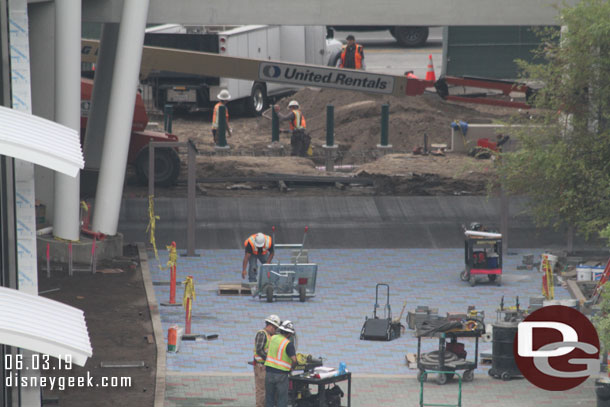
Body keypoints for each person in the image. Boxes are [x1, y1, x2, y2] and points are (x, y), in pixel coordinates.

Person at [265, 320, 297, 407]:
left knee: (269, 398)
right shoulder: (288, 344)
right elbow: (294, 360)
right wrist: (292, 368)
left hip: (269, 372)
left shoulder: (273, 338)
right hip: (281, 375)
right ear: (289, 334)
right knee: (282, 399)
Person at [254, 315, 281, 407]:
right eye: (275, 328)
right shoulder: (262, 334)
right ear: (271, 326)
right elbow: (259, 350)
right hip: (261, 366)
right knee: (261, 389)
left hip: (266, 365)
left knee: (267, 389)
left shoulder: (270, 336)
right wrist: (270, 360)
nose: (275, 331)